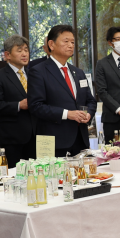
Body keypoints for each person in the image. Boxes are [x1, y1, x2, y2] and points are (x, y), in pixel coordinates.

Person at [27, 25, 96, 157]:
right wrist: (67, 114)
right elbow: (35, 106)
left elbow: (90, 100)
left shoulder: (78, 72)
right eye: (66, 41)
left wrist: (88, 114)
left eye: (73, 42)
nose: (71, 45)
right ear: (51, 44)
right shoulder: (38, 71)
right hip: (53, 141)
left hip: (80, 140)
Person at [0, 35, 34, 168]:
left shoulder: (34, 74)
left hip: (36, 135)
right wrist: (19, 105)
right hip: (12, 137)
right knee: (16, 176)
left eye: (26, 50)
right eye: (19, 50)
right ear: (7, 55)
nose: (24, 54)